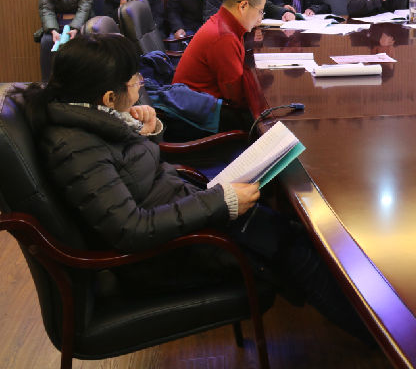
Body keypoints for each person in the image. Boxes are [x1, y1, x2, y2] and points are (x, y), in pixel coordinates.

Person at [18, 33, 370, 342]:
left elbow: (130, 174)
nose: (140, 84)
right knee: (297, 249)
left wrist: (145, 131)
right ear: (108, 97)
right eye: (135, 79)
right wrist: (221, 202)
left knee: (291, 231)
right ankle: (379, 338)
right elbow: (131, 229)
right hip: (165, 256)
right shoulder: (76, 148)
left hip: (184, 218)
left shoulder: (87, 120)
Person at [174, 0, 268, 130]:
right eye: (260, 11)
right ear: (243, 6)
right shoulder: (224, 37)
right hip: (197, 116)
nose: (260, 19)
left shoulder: (223, 22)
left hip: (197, 105)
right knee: (266, 119)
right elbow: (236, 98)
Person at [36, 0, 95, 81]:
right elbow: (46, 9)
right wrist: (52, 30)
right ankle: (48, 83)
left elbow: (85, 7)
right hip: (57, 23)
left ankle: (83, 82)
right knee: (46, 42)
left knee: (83, 41)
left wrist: (75, 28)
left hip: (81, 23)